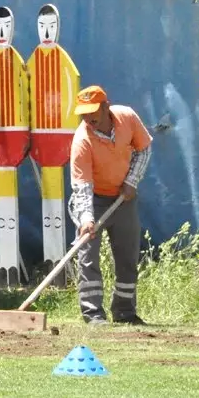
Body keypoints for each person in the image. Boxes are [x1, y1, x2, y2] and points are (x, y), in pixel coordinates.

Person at [68, 86, 152, 325]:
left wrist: (131, 181)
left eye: (92, 112)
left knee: (127, 255)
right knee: (88, 256)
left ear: (106, 106)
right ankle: (93, 314)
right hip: (93, 199)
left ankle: (125, 312)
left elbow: (144, 149)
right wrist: (86, 219)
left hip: (122, 199)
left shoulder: (127, 117)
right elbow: (82, 185)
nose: (88, 119)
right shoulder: (82, 140)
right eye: (83, 114)